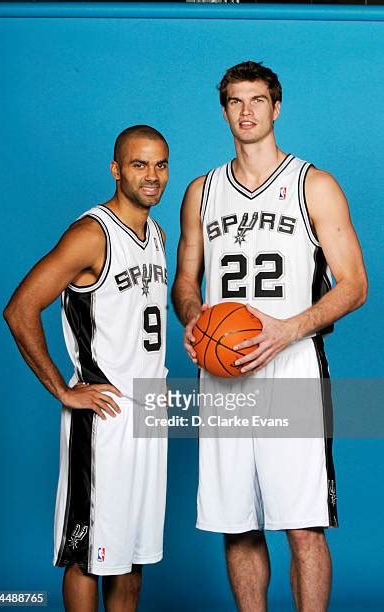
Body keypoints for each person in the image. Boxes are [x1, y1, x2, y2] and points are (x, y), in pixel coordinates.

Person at [172, 61, 367, 611]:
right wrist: (193, 318)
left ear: (276, 108)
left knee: (303, 526)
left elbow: (354, 285)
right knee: (237, 525)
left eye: (258, 100)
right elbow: (185, 282)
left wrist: (287, 330)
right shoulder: (201, 192)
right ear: (224, 110)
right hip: (223, 374)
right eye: (235, 101)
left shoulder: (313, 184)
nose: (247, 111)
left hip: (293, 372)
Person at [4, 125, 169, 612]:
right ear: (116, 170)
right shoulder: (91, 235)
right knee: (88, 556)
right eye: (139, 165)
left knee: (132, 558)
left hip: (150, 415)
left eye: (160, 164)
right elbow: (20, 309)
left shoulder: (156, 233)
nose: (152, 176)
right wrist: (62, 389)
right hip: (105, 420)